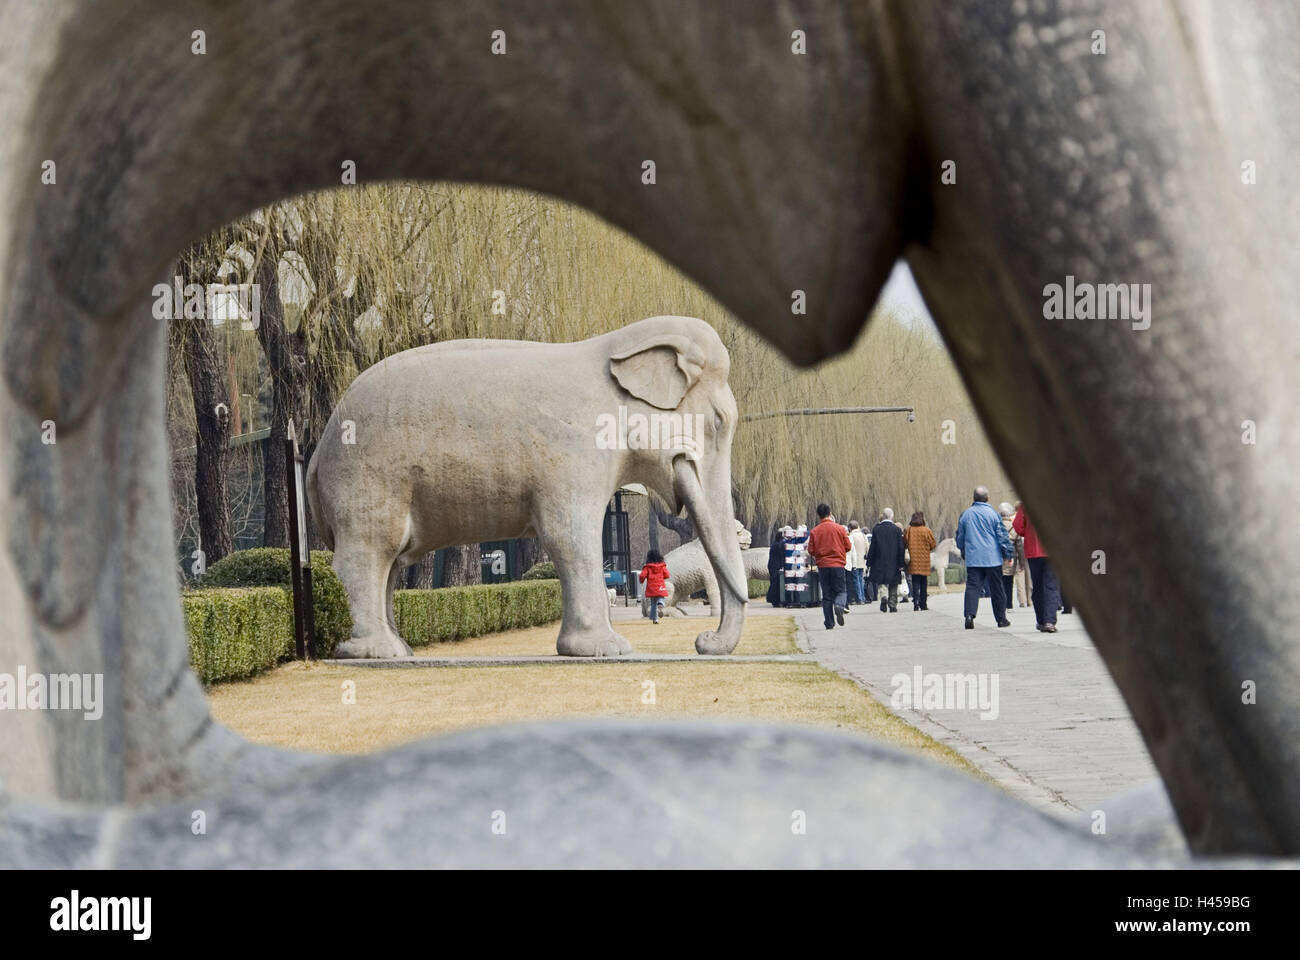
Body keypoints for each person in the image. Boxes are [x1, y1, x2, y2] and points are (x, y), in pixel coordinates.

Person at [955, 486, 1012, 629]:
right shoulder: (993, 514)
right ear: (987, 498)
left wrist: (963, 550)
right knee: (997, 588)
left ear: (973, 498)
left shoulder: (966, 515)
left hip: (974, 558)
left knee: (973, 587)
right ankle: (1001, 619)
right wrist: (1007, 553)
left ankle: (969, 615)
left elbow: (960, 537)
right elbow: (1002, 536)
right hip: (992, 558)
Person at [1012, 503, 1061, 633]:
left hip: (1034, 550)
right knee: (1051, 586)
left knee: (1038, 587)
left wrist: (1027, 531)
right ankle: (1050, 621)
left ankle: (1041, 621)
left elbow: (1017, 526)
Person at [807, 503, 851, 629]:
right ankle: (839, 605)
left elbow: (811, 550)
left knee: (826, 595)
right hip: (838, 564)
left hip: (823, 565)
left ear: (818, 516)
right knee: (841, 591)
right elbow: (848, 546)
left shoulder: (815, 531)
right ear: (830, 514)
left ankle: (829, 622)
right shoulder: (839, 529)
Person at [866, 508, 906, 613]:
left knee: (882, 581)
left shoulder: (876, 529)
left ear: (883, 516)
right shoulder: (896, 529)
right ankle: (892, 604)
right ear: (891, 516)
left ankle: (883, 596)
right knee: (893, 583)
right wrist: (901, 563)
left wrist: (869, 562)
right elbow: (900, 547)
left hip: (879, 560)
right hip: (894, 561)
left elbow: (872, 547)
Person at [902, 511, 937, 611]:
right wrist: (926, 549)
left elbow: (904, 542)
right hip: (924, 561)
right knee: (923, 583)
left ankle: (915, 603)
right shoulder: (927, 530)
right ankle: (923, 604)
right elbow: (933, 544)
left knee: (915, 582)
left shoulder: (909, 530)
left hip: (913, 560)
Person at [638, 550, 670, 624]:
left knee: (653, 604)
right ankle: (661, 604)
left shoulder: (647, 567)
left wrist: (641, 580)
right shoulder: (662, 566)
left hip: (651, 587)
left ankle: (655, 619)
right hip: (660, 586)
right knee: (660, 597)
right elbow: (667, 575)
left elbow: (642, 575)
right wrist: (662, 577)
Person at [998, 502, 1018, 612]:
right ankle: (1009, 605)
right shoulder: (1013, 527)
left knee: (999, 583)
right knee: (1009, 582)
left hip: (998, 557)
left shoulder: (997, 526)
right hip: (1010, 557)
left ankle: (1001, 605)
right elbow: (1018, 543)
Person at [1010, 500, 1030, 607]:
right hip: (1029, 548)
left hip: (1018, 549)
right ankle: (1030, 599)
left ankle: (1022, 600)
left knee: (1019, 575)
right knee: (1029, 575)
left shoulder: (1012, 518)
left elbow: (1017, 532)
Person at [848, 521, 869, 605]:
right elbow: (867, 547)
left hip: (854, 561)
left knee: (856, 580)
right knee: (861, 579)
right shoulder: (863, 535)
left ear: (850, 528)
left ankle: (859, 598)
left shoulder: (851, 536)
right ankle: (863, 597)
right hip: (862, 561)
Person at [766, 529, 784, 606]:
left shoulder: (775, 544)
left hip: (773, 566)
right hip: (775, 566)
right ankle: (773, 600)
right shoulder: (777, 545)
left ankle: (774, 600)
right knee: (775, 583)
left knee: (774, 582)